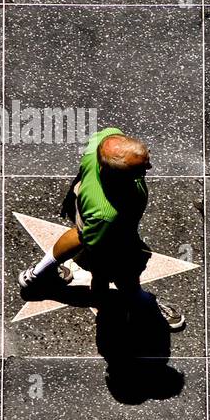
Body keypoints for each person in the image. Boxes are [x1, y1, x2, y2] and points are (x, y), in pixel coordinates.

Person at [18, 127, 185, 331]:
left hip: (85, 206)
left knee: (80, 232)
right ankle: (146, 306)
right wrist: (101, 277)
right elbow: (97, 249)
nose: (149, 166)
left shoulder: (104, 140)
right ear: (119, 177)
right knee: (127, 279)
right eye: (141, 168)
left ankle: (36, 275)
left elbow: (85, 170)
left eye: (146, 156)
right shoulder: (108, 214)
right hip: (111, 236)